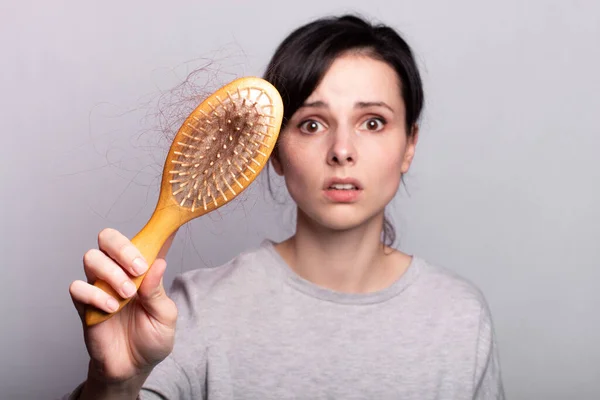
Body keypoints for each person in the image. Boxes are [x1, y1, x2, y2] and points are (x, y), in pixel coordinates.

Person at [66, 14, 505, 400]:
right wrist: (114, 385)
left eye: (373, 122)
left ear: (410, 143)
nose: (342, 151)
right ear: (271, 152)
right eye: (311, 124)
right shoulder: (186, 312)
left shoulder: (460, 317)